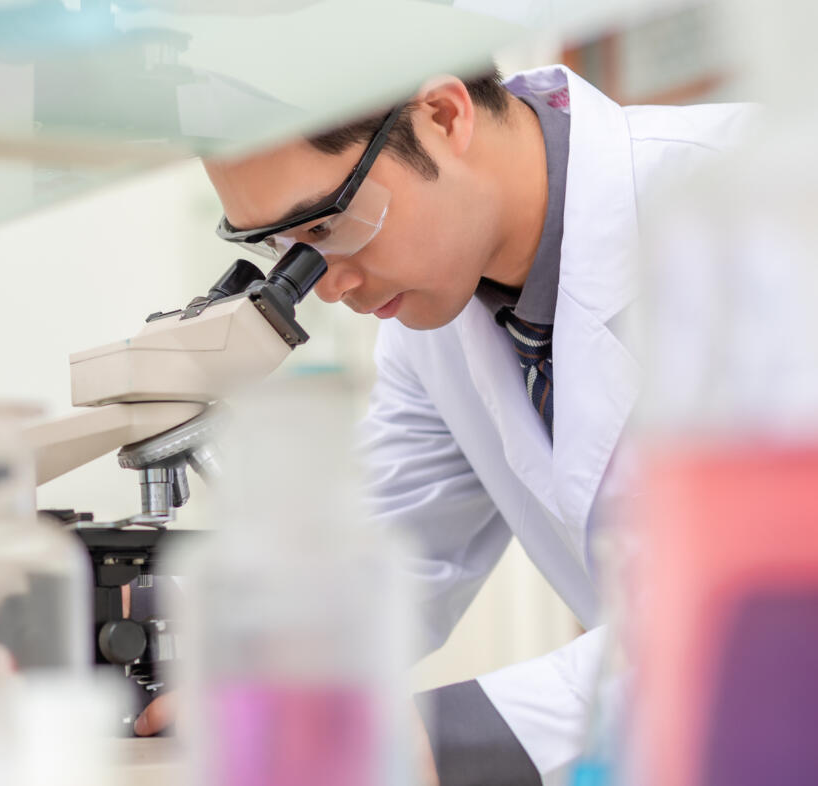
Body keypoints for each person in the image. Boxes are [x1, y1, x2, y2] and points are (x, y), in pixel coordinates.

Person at [134, 63, 751, 785]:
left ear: (445, 117)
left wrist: (433, 738)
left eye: (329, 225)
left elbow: (774, 606)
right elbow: (399, 552)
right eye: (286, 250)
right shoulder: (434, 318)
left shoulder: (755, 210)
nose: (329, 286)